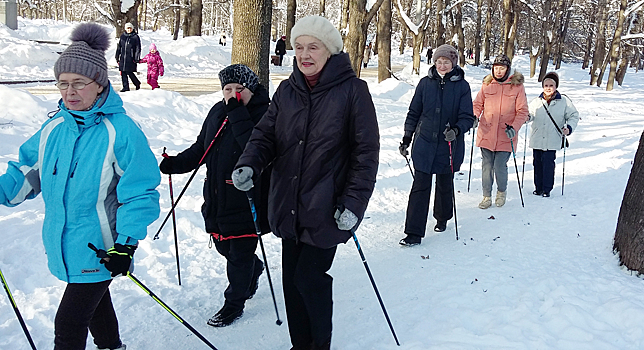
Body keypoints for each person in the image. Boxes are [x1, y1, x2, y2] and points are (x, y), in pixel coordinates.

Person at [0, 23, 160, 350]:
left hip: (102, 247)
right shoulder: (53, 128)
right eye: (63, 84)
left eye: (78, 83)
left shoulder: (121, 131)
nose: (69, 92)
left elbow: (140, 192)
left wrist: (126, 245)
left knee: (69, 324)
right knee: (96, 307)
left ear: (99, 85)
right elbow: (28, 173)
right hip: (64, 241)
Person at [231, 15, 380, 350]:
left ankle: (319, 345)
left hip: (328, 206)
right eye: (299, 47)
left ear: (329, 51)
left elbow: (366, 154)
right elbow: (264, 136)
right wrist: (249, 164)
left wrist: (353, 204)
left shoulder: (353, 91)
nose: (304, 54)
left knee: (308, 278)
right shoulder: (288, 89)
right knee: (291, 283)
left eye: (313, 47)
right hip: (288, 202)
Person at [159, 64, 270, 327]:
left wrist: (237, 113)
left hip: (248, 198)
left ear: (251, 90)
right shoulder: (218, 111)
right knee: (224, 247)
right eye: (227, 89)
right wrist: (177, 164)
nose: (232, 95)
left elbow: (254, 147)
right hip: (218, 196)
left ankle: (234, 303)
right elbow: (202, 147)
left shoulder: (265, 113)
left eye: (238, 89)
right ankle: (253, 269)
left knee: (239, 255)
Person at [398, 44, 475, 246]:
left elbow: (467, 116)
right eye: (439, 62)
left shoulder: (462, 86)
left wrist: (457, 130)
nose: (442, 65)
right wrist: (407, 137)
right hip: (424, 143)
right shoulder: (425, 83)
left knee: (444, 184)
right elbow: (414, 112)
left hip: (449, 144)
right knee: (420, 187)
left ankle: (442, 217)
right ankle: (413, 232)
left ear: (453, 63)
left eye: (446, 62)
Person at [472, 54, 528, 209]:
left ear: (507, 69)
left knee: (499, 166)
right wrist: (474, 116)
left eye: (501, 68)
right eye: (496, 68)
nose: (498, 71)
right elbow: (477, 104)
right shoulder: (487, 84)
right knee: (487, 166)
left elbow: (522, 111)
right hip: (486, 132)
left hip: (506, 134)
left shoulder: (517, 86)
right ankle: (486, 196)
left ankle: (501, 192)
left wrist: (514, 127)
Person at [527, 71, 579, 197]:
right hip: (537, 138)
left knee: (548, 164)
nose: (548, 88)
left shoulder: (564, 102)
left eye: (551, 85)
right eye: (546, 85)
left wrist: (569, 128)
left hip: (553, 139)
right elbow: (530, 114)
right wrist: (526, 118)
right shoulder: (536, 101)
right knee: (537, 164)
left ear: (556, 87)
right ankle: (538, 187)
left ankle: (546, 189)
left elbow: (573, 115)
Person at [116, 22, 141, 92]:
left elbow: (138, 48)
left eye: (130, 28)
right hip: (123, 57)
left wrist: (136, 57)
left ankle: (137, 83)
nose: (129, 29)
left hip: (131, 57)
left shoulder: (135, 37)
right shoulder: (123, 36)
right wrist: (117, 56)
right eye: (127, 28)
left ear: (132, 29)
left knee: (129, 72)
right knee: (123, 72)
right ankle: (125, 87)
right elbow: (119, 47)